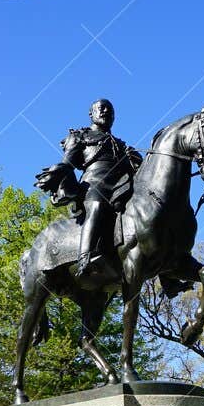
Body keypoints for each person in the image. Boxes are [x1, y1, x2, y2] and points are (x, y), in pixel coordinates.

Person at [37, 99, 139, 278]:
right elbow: (68, 162)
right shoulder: (80, 136)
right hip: (93, 183)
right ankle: (85, 258)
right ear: (91, 114)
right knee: (97, 206)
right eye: (101, 108)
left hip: (121, 185)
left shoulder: (121, 145)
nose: (106, 112)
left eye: (110, 110)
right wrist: (56, 173)